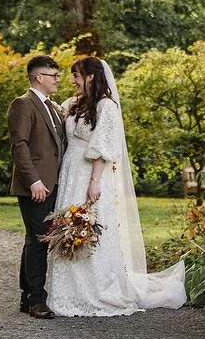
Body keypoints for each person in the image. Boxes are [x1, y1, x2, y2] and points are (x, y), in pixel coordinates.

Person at [47, 55, 187, 316]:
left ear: (90, 76)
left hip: (91, 172)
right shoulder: (75, 104)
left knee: (89, 225)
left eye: (76, 75)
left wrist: (95, 182)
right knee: (68, 225)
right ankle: (66, 290)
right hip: (70, 171)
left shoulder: (106, 107)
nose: (72, 80)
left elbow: (102, 147)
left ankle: (96, 290)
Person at [7, 54, 67, 319]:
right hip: (36, 185)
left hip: (53, 184)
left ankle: (26, 295)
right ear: (38, 77)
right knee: (39, 239)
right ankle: (36, 301)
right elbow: (19, 146)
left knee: (35, 238)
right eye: (53, 75)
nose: (58, 80)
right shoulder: (23, 104)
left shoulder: (52, 107)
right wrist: (34, 180)